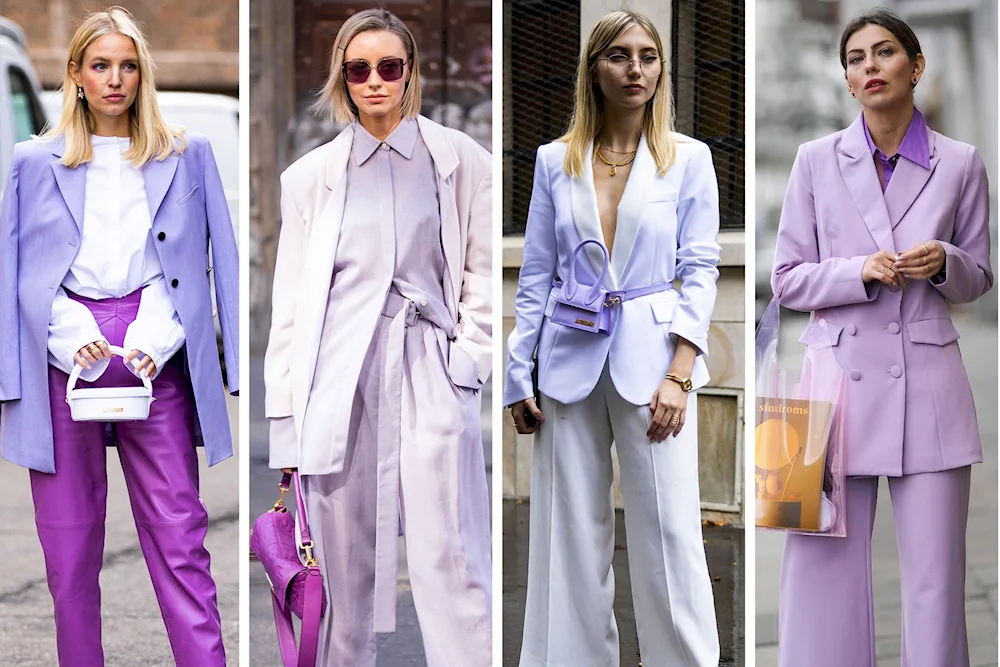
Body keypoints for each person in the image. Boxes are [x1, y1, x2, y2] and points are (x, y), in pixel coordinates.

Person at [0, 6, 238, 667]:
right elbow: (14, 270)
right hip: (62, 355)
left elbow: (211, 257)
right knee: (69, 552)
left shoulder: (189, 154)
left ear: (143, 74)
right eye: (101, 65)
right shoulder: (32, 161)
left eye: (128, 65)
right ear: (75, 74)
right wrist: (67, 332)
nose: (115, 79)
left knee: (180, 536)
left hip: (152, 351)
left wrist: (156, 337)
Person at [263, 8, 492, 666]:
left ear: (410, 73)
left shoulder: (460, 161)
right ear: (342, 76)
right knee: (338, 573)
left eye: (389, 67)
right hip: (340, 381)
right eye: (358, 69)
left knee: (454, 556)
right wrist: (288, 428)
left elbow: (479, 270)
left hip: (430, 371)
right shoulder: (310, 177)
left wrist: (467, 363)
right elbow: (290, 310)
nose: (374, 82)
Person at [770, 9, 991, 666]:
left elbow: (979, 276)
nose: (869, 66)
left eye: (884, 52)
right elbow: (784, 279)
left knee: (935, 583)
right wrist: (856, 271)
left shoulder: (961, 163)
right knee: (819, 581)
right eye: (855, 58)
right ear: (846, 79)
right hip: (826, 397)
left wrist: (946, 261)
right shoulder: (814, 161)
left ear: (915, 66)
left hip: (930, 391)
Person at [504, 10, 721, 667]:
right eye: (620, 56)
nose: (635, 69)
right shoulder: (553, 161)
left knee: (671, 533)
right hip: (566, 363)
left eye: (648, 56)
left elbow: (700, 270)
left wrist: (680, 373)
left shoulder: (689, 159)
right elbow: (537, 276)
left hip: (655, 363)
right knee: (570, 536)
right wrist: (520, 373)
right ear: (594, 68)